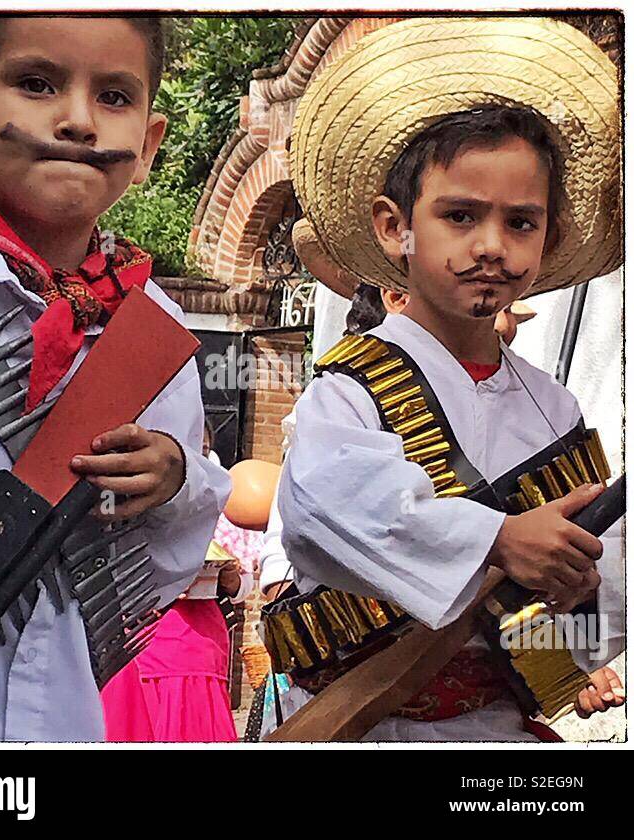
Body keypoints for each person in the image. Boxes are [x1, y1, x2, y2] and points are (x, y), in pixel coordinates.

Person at [277, 17, 624, 741]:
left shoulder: (554, 407)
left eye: (521, 223)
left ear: (548, 238)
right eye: (460, 215)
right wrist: (499, 541)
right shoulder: (350, 387)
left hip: (494, 724)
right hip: (371, 722)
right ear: (393, 226)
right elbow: (330, 516)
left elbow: (579, 602)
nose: (492, 246)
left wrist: (573, 603)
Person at [0, 16, 231, 741]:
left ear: (147, 146)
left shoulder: (154, 328)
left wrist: (172, 482)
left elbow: (154, 577)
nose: (78, 121)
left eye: (114, 96)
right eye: (37, 83)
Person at [101, 424, 256, 742]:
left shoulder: (216, 498)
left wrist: (230, 579)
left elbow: (245, 584)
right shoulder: (124, 496)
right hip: (138, 636)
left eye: (203, 446)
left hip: (196, 640)